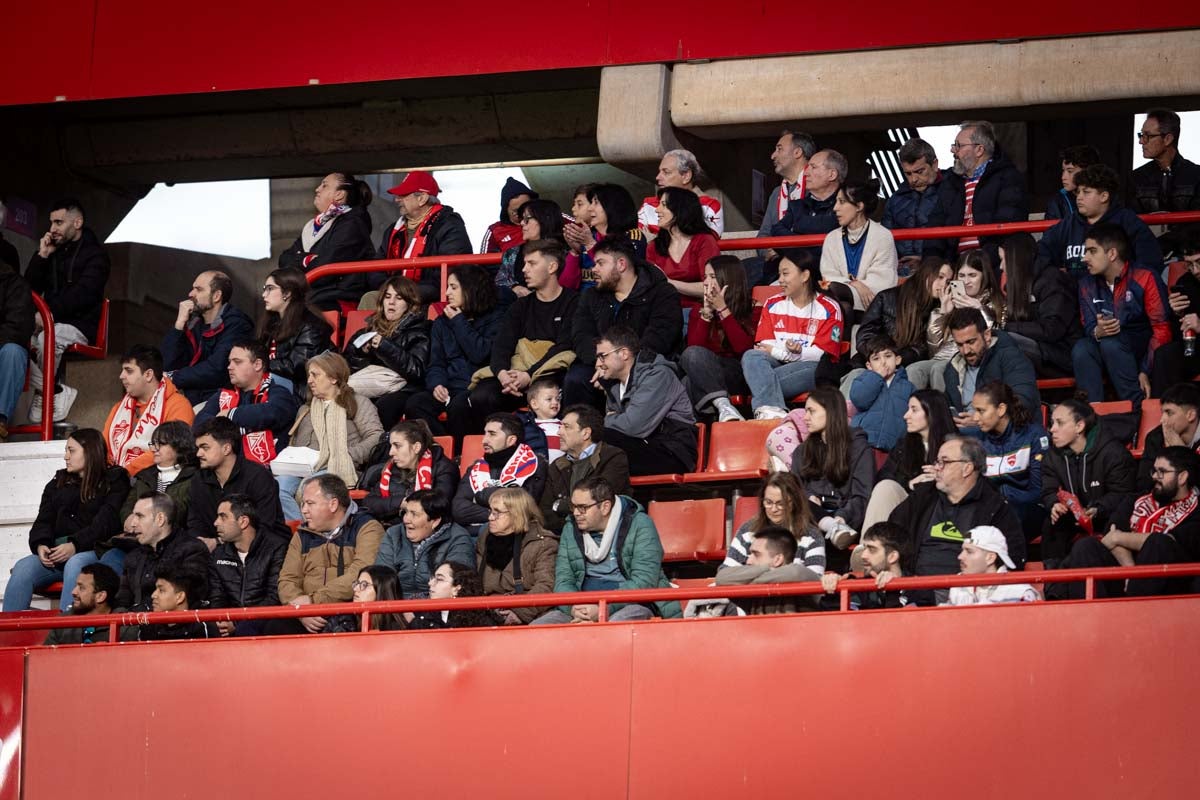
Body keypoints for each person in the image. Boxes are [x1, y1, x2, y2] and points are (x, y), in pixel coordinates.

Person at [2, 429, 129, 613]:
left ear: (89, 451)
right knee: (24, 567)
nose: (65, 456)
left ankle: (66, 631)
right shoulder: (58, 481)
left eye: (71, 450)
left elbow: (105, 523)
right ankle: (6, 636)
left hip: (94, 550)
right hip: (56, 554)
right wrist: (41, 544)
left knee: (76, 563)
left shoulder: (115, 480)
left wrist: (74, 545)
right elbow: (43, 521)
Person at [890, 435, 1025, 606]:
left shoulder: (996, 508)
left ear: (967, 468)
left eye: (944, 462)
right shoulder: (923, 497)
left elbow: (1012, 558)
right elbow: (892, 533)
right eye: (937, 461)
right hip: (914, 588)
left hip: (967, 597)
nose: (937, 468)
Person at [1053, 447, 1200, 599]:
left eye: (1162, 472)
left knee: (1158, 542)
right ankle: (1091, 617)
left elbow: (1168, 542)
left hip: (1172, 585)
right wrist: (1131, 573)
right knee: (1086, 546)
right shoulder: (1135, 500)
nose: (1155, 476)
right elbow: (1111, 534)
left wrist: (1119, 537)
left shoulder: (1196, 509)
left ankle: (1137, 612)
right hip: (1126, 576)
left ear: (1182, 477)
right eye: (1154, 471)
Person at [531, 476, 681, 624]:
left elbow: (644, 581)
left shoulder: (640, 524)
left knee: (615, 625)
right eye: (573, 507)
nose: (576, 513)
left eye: (582, 508)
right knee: (538, 628)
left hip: (630, 603)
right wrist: (573, 608)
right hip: (581, 606)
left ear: (605, 507)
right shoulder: (571, 528)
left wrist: (603, 608)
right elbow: (564, 579)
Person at [467, 239, 578, 426]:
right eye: (525, 263)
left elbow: (565, 347)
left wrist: (529, 375)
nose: (524, 269)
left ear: (552, 267)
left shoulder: (574, 302)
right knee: (480, 396)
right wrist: (503, 375)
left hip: (550, 375)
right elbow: (502, 345)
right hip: (514, 378)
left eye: (532, 263)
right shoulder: (520, 306)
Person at [564, 235, 681, 408]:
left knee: (641, 379)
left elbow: (659, 338)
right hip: (599, 364)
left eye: (600, 263)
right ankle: (582, 431)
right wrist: (603, 362)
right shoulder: (591, 296)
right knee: (576, 378)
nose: (594, 269)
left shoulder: (662, 293)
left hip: (645, 365)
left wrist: (620, 367)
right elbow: (581, 335)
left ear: (621, 264)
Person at [25, 197, 110, 423]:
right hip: (50, 323)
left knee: (46, 339)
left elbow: (83, 296)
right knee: (11, 339)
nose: (52, 229)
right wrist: (42, 255)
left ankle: (45, 393)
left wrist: (47, 316)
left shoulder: (96, 255)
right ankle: (52, 391)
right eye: (51, 223)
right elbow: (27, 289)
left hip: (80, 325)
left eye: (59, 223)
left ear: (77, 222)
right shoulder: (53, 252)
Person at [272, 474, 385, 634]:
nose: (303, 510)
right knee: (268, 627)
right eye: (303, 504)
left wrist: (313, 601)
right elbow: (287, 579)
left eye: (310, 503)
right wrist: (301, 611)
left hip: (348, 613)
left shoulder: (367, 528)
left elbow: (360, 574)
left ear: (333, 504)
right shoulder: (302, 534)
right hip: (305, 615)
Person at [277, 351, 383, 520]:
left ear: (334, 378)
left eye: (315, 375)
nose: (310, 380)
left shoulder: (358, 402)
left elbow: (376, 436)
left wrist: (349, 455)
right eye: (309, 375)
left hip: (338, 466)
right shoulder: (305, 409)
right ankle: (301, 532)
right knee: (277, 487)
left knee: (311, 487)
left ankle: (310, 533)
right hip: (301, 468)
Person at [1073, 224, 1171, 404]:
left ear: (1112, 254)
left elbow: (1161, 329)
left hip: (1139, 348)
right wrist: (1097, 331)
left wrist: (1145, 370)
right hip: (1106, 346)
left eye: (1092, 251)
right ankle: (1093, 416)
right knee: (1081, 348)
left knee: (1111, 344)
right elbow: (1088, 325)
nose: (1084, 258)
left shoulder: (1145, 277)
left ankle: (1136, 409)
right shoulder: (1086, 283)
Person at [741, 249, 844, 420]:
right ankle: (775, 413)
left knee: (757, 379)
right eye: (779, 274)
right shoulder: (773, 303)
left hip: (811, 369)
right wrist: (793, 353)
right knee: (751, 356)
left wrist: (781, 352)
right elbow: (762, 347)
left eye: (785, 273)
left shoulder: (829, 308)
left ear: (805, 276)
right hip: (775, 365)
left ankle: (767, 409)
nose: (780, 280)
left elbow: (821, 355)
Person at [403, 264, 502, 441]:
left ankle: (460, 454)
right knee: (415, 404)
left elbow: (480, 353)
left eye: (453, 287)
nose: (447, 293)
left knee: (460, 406)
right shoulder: (441, 323)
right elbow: (436, 363)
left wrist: (458, 321)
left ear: (470, 289)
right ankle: (444, 451)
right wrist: (437, 385)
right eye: (448, 287)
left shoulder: (495, 318)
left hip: (478, 386)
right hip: (450, 387)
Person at [1042, 398, 1138, 561]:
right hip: (1073, 515)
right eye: (1052, 423)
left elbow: (1124, 494)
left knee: (1116, 520)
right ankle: (1053, 582)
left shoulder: (1114, 453)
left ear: (1079, 426)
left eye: (1060, 423)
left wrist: (1098, 509)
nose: (1052, 429)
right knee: (1052, 523)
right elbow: (1048, 489)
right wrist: (1054, 504)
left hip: (1106, 515)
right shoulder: (1053, 456)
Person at [594, 326, 698, 476]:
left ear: (623, 353)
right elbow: (624, 426)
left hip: (672, 452)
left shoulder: (658, 375)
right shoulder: (614, 386)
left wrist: (608, 420)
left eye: (602, 356)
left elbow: (634, 426)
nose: (598, 364)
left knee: (602, 439)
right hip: (644, 446)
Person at [1037, 163, 1162, 283]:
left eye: (1086, 192)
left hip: (1116, 297)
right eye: (1078, 192)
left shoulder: (1128, 222)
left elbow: (1149, 263)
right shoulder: (1069, 223)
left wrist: (1128, 287)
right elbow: (1042, 251)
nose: (1079, 197)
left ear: (1104, 196)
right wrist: (1054, 274)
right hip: (1073, 295)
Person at [790, 387, 874, 563]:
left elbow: (862, 494)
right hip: (809, 519)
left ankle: (834, 527)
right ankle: (831, 526)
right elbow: (795, 488)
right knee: (790, 496)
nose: (805, 418)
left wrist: (842, 516)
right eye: (805, 411)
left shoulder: (858, 447)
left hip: (846, 520)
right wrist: (809, 496)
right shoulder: (802, 451)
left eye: (811, 411)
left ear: (831, 412)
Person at [844, 257, 952, 393]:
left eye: (948, 282)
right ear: (925, 274)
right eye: (939, 277)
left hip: (905, 365)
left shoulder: (940, 308)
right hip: (870, 361)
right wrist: (879, 358)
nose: (943, 285)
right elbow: (865, 335)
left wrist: (893, 360)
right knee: (855, 375)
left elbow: (924, 349)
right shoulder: (887, 297)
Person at [188, 416, 291, 549]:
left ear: (226, 448)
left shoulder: (258, 477)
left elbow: (264, 526)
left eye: (205, 447)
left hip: (264, 550)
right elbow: (194, 524)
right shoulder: (198, 480)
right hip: (216, 553)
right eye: (198, 448)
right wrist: (201, 543)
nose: (198, 454)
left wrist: (218, 542)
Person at [863, 389, 958, 532]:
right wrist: (909, 484)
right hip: (907, 506)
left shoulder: (957, 446)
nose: (905, 416)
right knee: (885, 487)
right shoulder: (904, 445)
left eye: (914, 410)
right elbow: (883, 477)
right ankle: (870, 548)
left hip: (940, 509)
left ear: (932, 412)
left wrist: (942, 478)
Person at [278, 172, 376, 311]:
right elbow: (284, 259)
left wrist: (301, 258)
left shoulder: (353, 224)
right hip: (314, 296)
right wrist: (308, 259)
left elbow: (324, 273)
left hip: (337, 299)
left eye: (324, 185)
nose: (317, 189)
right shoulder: (313, 226)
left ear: (339, 195)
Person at [194, 339, 300, 465]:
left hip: (265, 473)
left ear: (257, 365)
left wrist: (229, 415)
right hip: (224, 468)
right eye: (229, 362)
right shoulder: (223, 394)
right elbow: (200, 423)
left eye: (237, 362)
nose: (229, 367)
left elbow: (271, 413)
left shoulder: (279, 393)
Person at [342, 275, 430, 428]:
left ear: (409, 304)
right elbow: (345, 367)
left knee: (385, 406)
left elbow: (416, 370)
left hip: (404, 389)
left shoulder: (420, 330)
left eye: (399, 298)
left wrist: (385, 347)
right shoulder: (367, 330)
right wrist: (362, 353)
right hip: (369, 387)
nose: (391, 302)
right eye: (387, 297)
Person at [969, 380, 1050, 538]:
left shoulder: (1033, 436)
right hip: (991, 510)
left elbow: (1039, 492)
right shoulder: (976, 439)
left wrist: (1006, 496)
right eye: (974, 411)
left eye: (981, 411)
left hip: (1029, 510)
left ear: (1001, 409)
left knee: (1009, 515)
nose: (975, 417)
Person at [679, 255, 756, 421]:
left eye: (712, 277)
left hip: (738, 373)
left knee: (689, 382)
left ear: (729, 279)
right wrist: (707, 313)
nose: (706, 282)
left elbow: (744, 350)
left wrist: (722, 310)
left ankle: (699, 435)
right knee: (689, 373)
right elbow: (694, 350)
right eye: (705, 277)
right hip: (706, 371)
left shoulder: (752, 309)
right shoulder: (698, 310)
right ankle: (723, 407)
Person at [161, 270, 255, 405]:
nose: (190, 294)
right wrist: (179, 325)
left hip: (219, 400)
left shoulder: (237, 324)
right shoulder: (194, 323)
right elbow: (167, 364)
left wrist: (173, 377)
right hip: (186, 398)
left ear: (216, 296)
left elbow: (217, 368)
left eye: (198, 290)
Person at [379, 170, 472, 304]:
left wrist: (407, 293)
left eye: (403, 195)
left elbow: (449, 275)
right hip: (397, 295)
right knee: (370, 298)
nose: (397, 199)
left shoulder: (449, 226)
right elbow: (377, 267)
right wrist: (391, 291)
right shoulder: (393, 229)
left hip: (430, 299)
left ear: (422, 198)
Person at [941, 120, 1029, 262]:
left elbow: (1008, 222)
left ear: (979, 150)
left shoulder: (1007, 178)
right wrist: (936, 262)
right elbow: (936, 223)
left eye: (959, 145)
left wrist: (986, 260)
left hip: (990, 261)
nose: (953, 150)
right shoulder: (950, 184)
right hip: (954, 262)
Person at [103, 345, 194, 476]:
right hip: (115, 477)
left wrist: (125, 473)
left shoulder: (178, 405)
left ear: (148, 375)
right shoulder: (118, 408)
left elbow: (169, 451)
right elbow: (104, 447)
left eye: (128, 371)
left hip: (153, 480)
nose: (121, 376)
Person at [998, 232, 1081, 376]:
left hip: (1060, 354)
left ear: (1016, 259)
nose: (1000, 266)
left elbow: (1051, 330)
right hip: (1039, 349)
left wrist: (1005, 327)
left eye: (1003, 259)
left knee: (1002, 341)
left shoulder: (1053, 281)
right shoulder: (1018, 285)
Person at [900, 255, 986, 392]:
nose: (967, 281)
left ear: (984, 276)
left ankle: (946, 412)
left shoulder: (991, 302)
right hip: (939, 357)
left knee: (938, 369)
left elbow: (989, 337)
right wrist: (942, 314)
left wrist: (980, 309)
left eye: (972, 275)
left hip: (965, 357)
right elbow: (933, 347)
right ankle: (913, 411)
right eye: (962, 276)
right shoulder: (949, 301)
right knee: (914, 369)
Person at [540, 404, 630, 533]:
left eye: (566, 427)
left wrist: (561, 505)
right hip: (565, 534)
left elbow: (600, 500)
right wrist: (572, 527)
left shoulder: (613, 457)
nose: (559, 432)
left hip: (607, 534)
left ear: (586, 433)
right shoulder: (557, 466)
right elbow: (545, 511)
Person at [205, 494, 287, 636]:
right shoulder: (218, 555)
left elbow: (274, 597)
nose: (216, 522)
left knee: (247, 629)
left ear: (243, 522)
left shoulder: (276, 548)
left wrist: (237, 623)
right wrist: (221, 621)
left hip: (264, 624)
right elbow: (217, 598)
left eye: (223, 517)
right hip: (230, 623)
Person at [113, 493, 211, 612]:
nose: (133, 523)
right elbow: (122, 600)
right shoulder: (133, 556)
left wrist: (139, 612)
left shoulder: (191, 550)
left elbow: (190, 596)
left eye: (140, 516)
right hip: (137, 625)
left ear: (160, 519)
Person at [942, 307, 1040, 425]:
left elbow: (1023, 404)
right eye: (960, 344)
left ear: (987, 335)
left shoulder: (1011, 358)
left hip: (1009, 437)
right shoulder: (953, 369)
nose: (966, 350)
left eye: (971, 342)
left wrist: (981, 421)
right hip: (965, 438)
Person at [477, 487, 559, 624]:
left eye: (497, 513)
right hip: (487, 609)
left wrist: (519, 611)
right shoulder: (485, 537)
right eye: (490, 511)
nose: (490, 517)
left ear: (516, 514)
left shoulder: (543, 543)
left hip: (528, 613)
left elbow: (546, 586)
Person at [452, 413, 547, 528]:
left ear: (511, 440)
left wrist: (481, 496)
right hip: (473, 533)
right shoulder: (475, 468)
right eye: (485, 433)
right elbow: (459, 509)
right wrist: (498, 514)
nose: (484, 440)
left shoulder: (534, 464)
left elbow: (523, 506)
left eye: (492, 434)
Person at [820, 178, 898, 316]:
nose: (835, 208)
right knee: (839, 301)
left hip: (871, 300)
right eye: (836, 201)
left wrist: (854, 287)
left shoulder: (882, 236)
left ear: (859, 206)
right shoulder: (832, 238)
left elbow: (883, 281)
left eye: (842, 202)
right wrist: (856, 284)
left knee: (839, 297)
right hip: (839, 300)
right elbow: (828, 278)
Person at [376, 489, 473, 599]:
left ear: (435, 521)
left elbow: (456, 585)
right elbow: (381, 579)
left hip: (436, 607)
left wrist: (417, 610)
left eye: (414, 514)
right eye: (406, 512)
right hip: (396, 606)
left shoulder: (458, 538)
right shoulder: (394, 534)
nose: (406, 519)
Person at [359, 420, 458, 527]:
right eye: (391, 446)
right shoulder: (391, 469)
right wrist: (401, 503)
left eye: (397, 446)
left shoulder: (443, 468)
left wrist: (408, 504)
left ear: (416, 447)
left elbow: (440, 505)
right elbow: (368, 502)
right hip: (391, 530)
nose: (390, 452)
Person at [722, 472, 825, 575]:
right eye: (768, 502)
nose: (774, 509)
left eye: (780, 504)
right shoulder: (747, 530)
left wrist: (755, 575)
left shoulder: (812, 535)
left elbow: (814, 578)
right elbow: (725, 572)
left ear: (794, 503)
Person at [1129, 108, 1200, 255]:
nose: (1141, 141)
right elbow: (1130, 222)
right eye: (1141, 135)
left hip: (1187, 256)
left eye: (1147, 136)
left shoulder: (1196, 175)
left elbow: (1196, 226)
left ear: (1168, 139)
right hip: (1146, 255)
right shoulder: (1136, 177)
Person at [705, 526, 821, 616]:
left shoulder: (803, 579)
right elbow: (722, 578)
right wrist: (767, 568)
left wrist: (746, 582)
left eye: (756, 554)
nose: (748, 560)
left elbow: (796, 572)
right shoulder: (751, 596)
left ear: (777, 560)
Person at [256, 267, 334, 396]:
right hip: (276, 383)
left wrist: (258, 364)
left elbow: (297, 367)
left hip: (301, 390)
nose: (264, 294)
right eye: (265, 289)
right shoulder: (272, 322)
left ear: (287, 293)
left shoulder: (311, 326)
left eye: (270, 289)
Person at [646, 186, 721, 317]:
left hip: (697, 311)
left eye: (664, 205)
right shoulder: (654, 246)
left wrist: (669, 283)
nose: (657, 210)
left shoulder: (704, 241)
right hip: (661, 311)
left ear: (680, 209)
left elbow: (712, 287)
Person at [881, 137, 956, 265]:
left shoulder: (953, 190)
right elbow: (884, 241)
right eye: (908, 174)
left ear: (934, 164)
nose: (914, 179)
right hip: (901, 269)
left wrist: (927, 259)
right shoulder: (895, 200)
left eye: (919, 171)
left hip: (940, 266)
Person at [564, 183, 648, 292]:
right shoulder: (587, 237)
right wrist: (575, 251)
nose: (590, 208)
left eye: (596, 203)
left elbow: (621, 277)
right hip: (584, 303)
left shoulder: (631, 236)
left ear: (612, 206)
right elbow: (567, 286)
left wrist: (590, 244)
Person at [118, 420, 199, 529]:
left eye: (161, 444)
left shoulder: (195, 477)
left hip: (176, 541)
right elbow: (127, 507)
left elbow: (183, 515)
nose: (154, 449)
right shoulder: (145, 476)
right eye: (153, 443)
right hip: (137, 538)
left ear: (180, 445)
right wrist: (129, 519)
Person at [769, 149, 846, 263]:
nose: (805, 173)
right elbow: (776, 231)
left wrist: (795, 237)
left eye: (813, 167)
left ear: (832, 174)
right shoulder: (797, 205)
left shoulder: (846, 206)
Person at [820, 522, 913, 610]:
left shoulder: (917, 589)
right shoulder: (858, 588)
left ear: (892, 557)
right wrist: (832, 593)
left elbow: (901, 623)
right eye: (864, 548)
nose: (863, 555)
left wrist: (892, 591)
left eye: (872, 549)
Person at [757, 129, 815, 265]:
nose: (773, 156)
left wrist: (784, 250)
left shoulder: (816, 187)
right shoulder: (777, 193)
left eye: (779, 149)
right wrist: (769, 252)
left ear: (797, 152)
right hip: (776, 263)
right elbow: (763, 235)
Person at [496, 198, 574, 299]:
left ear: (545, 220)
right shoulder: (512, 253)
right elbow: (499, 281)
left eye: (527, 219)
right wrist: (514, 287)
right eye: (522, 219)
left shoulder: (568, 251)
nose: (522, 223)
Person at [944, 526, 1039, 605]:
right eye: (962, 550)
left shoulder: (1019, 593)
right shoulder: (958, 587)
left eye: (969, 551)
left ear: (990, 558)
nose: (960, 556)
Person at [849, 335, 914, 450]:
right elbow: (859, 400)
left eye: (888, 356)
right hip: (863, 444)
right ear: (869, 366)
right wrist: (877, 377)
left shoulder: (909, 388)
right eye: (876, 359)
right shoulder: (863, 380)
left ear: (897, 360)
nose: (883, 362)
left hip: (893, 448)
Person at [639, 149, 724, 235]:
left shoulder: (709, 207)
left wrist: (652, 239)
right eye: (659, 171)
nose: (657, 177)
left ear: (686, 176)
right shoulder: (648, 205)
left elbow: (704, 244)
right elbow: (636, 240)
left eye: (666, 172)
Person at [1156, 233, 1200, 390]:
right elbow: (1178, 334)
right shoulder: (1186, 282)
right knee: (1165, 355)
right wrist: (1178, 315)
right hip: (1195, 347)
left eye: (1199, 262)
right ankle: (1168, 409)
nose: (1195, 270)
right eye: (1189, 264)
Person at [129, 564, 218, 641]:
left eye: (161, 590)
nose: (153, 595)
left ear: (179, 597)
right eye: (155, 589)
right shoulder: (148, 625)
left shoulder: (204, 628)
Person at [1138, 383, 1200, 493]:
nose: (1162, 420)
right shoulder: (1155, 438)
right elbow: (1143, 484)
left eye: (1169, 413)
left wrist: (1181, 454)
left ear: (1191, 415)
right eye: (1162, 412)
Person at [42, 563, 121, 646]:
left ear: (100, 596)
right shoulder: (63, 622)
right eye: (76, 586)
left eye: (81, 588)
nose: (73, 592)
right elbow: (44, 657)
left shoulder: (124, 627)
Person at [0, 255, 34, 440]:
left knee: (12, 352)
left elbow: (18, 327)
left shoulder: (13, 283)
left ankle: (0, 420)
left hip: (4, 348)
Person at [408, 561, 498, 629]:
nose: (430, 583)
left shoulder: (481, 622)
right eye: (432, 578)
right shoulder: (423, 618)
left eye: (439, 579)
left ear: (456, 589)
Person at [324, 565, 407, 633]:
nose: (356, 588)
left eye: (364, 585)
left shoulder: (400, 629)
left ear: (382, 591)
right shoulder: (341, 621)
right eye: (357, 583)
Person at [480, 176, 536, 254]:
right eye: (515, 211)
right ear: (506, 209)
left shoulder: (544, 223)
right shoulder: (494, 230)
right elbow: (484, 261)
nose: (521, 213)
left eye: (524, 208)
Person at [1046, 144, 1102, 220]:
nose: (1063, 177)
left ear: (1087, 171)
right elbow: (1052, 231)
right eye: (1063, 170)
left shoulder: (1104, 197)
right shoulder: (1057, 202)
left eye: (1070, 171)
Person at [521, 376, 563, 463]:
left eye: (558, 399)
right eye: (549, 399)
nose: (555, 402)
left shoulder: (564, 424)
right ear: (534, 404)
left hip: (561, 472)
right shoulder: (528, 427)